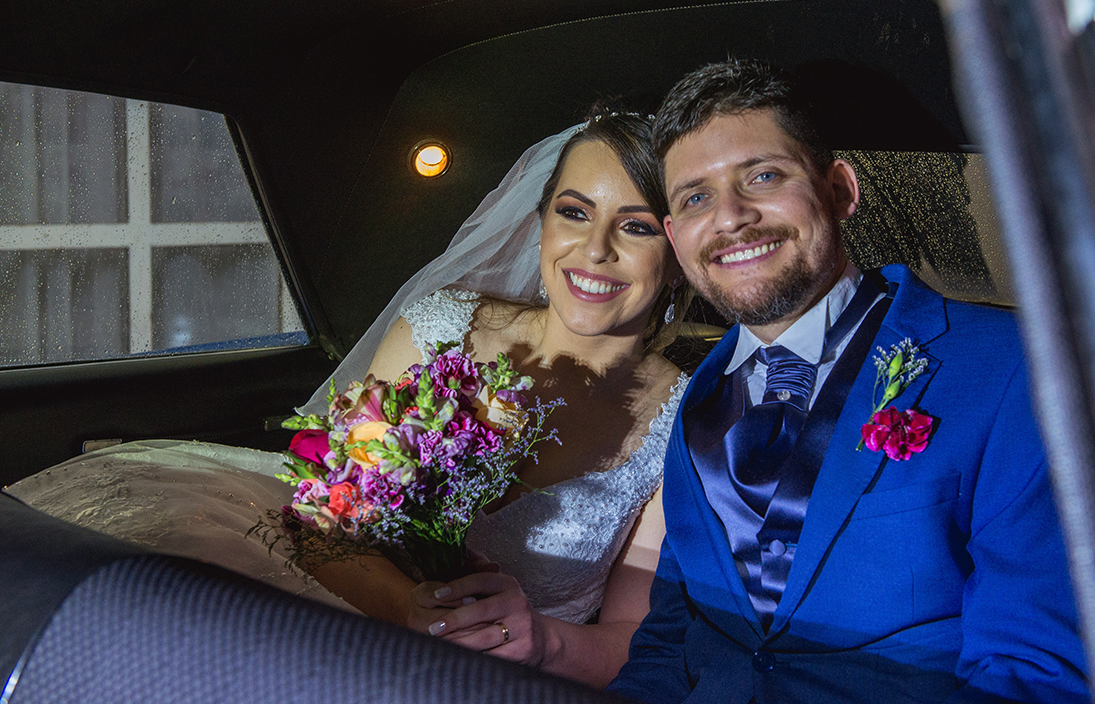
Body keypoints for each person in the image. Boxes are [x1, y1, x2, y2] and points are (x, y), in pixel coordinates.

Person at [7, 111, 690, 689]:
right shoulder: (442, 329)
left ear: (679, 246)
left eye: (635, 227)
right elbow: (318, 521)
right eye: (574, 212)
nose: (594, 249)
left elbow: (632, 637)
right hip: (342, 623)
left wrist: (539, 641)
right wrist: (410, 610)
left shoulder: (683, 418)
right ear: (541, 223)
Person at [607, 60, 1091, 704]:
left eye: (763, 176)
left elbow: (1035, 669)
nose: (730, 217)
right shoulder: (696, 395)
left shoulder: (1009, 368)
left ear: (839, 189)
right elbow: (670, 635)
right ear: (675, 235)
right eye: (695, 198)